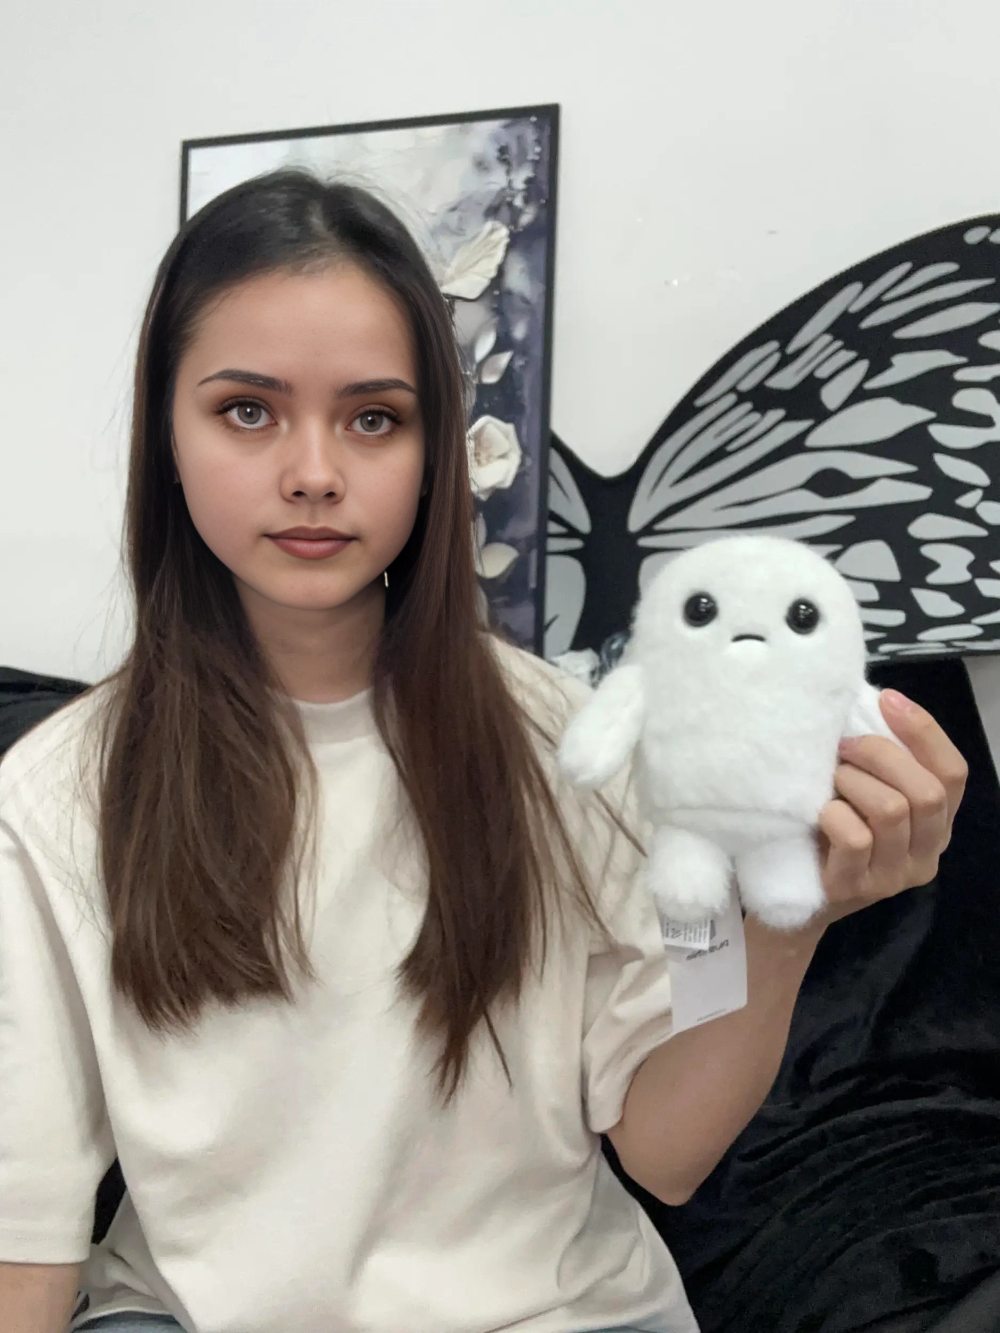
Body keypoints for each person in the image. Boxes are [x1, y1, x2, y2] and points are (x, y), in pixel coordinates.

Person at [0, 171, 967, 1333]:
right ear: (167, 435)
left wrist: (787, 923)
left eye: (373, 418)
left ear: (436, 450)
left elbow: (663, 1152)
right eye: (248, 411)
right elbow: (25, 1233)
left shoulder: (571, 747)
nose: (313, 472)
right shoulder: (57, 797)